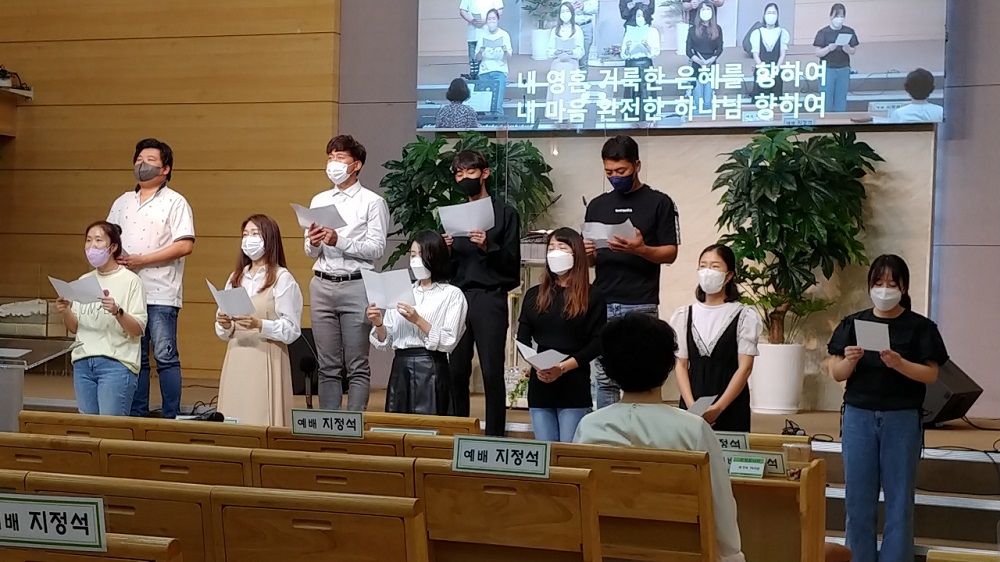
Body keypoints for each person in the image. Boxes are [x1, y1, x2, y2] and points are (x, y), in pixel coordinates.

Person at [573, 313, 745, 562]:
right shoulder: (693, 429)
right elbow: (721, 509)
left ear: (608, 367)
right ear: (668, 366)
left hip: (605, 553)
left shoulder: (589, 426)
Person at [828, 254, 948, 562]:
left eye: (892, 283)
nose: (884, 289)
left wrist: (899, 363)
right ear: (869, 285)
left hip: (901, 418)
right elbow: (836, 373)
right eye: (878, 282)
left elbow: (931, 374)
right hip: (859, 416)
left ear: (904, 287)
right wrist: (850, 361)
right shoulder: (853, 323)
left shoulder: (920, 327)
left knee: (899, 500)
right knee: (858, 499)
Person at [584, 135, 680, 409]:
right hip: (602, 301)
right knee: (604, 378)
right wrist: (587, 253)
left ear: (637, 165)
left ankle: (641, 429)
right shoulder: (597, 205)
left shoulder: (659, 202)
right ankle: (609, 428)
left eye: (621, 171)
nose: (615, 177)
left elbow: (670, 253)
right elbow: (592, 261)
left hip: (641, 301)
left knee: (644, 375)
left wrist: (640, 249)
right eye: (609, 172)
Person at [108, 138, 194, 419]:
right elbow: (108, 239)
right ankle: (138, 415)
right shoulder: (122, 201)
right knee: (137, 358)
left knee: (165, 356)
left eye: (150, 160)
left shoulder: (175, 201)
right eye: (139, 160)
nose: (142, 165)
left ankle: (171, 416)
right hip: (127, 292)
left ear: (165, 168)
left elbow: (185, 245)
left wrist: (141, 260)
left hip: (161, 291)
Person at [306, 135, 389, 412]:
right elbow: (309, 251)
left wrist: (338, 241)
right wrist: (313, 242)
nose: (333, 163)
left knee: (356, 364)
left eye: (340, 157)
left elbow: (377, 248)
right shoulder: (319, 199)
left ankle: (354, 425)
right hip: (321, 284)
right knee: (327, 364)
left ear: (356, 165)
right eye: (330, 157)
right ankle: (329, 425)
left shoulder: (372, 202)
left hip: (356, 285)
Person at [444, 150, 520, 436]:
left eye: (470, 172)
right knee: (457, 369)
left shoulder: (505, 213)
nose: (464, 178)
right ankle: (459, 431)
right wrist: (445, 250)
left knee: (491, 370)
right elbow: (448, 268)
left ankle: (495, 435)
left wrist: (488, 246)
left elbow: (512, 263)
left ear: (484, 174)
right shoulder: (454, 216)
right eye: (459, 174)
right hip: (458, 296)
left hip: (490, 296)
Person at [517, 228, 606, 442]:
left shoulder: (593, 296)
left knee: (568, 451)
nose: (555, 252)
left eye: (562, 247)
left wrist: (562, 368)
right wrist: (537, 365)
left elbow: (598, 342)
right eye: (551, 248)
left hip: (574, 382)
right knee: (545, 449)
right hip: (541, 381)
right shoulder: (534, 294)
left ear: (576, 253)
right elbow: (522, 338)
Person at [215, 214, 303, 427]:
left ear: (269, 239)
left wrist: (260, 325)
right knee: (234, 417)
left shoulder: (282, 278)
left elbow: (292, 330)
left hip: (266, 356)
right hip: (237, 356)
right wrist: (224, 324)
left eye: (255, 234)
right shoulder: (236, 277)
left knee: (261, 417)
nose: (249, 239)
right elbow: (223, 328)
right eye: (245, 234)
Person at [368, 232, 468, 415]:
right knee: (398, 423)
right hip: (401, 366)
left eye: (421, 255)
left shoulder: (452, 294)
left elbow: (449, 340)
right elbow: (387, 341)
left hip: (431, 366)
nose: (415, 261)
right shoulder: (401, 291)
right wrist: (379, 324)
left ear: (435, 256)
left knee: (431, 424)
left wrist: (418, 320)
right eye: (413, 255)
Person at [57, 221, 148, 416]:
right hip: (83, 362)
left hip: (116, 364)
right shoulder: (83, 280)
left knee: (110, 428)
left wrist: (117, 311)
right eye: (88, 240)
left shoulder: (131, 281)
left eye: (98, 240)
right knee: (88, 428)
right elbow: (75, 327)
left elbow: (138, 329)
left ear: (113, 246)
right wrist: (66, 311)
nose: (92, 246)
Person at [669, 244, 761, 432]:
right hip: (692, 399)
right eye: (703, 266)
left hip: (730, 402)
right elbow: (681, 364)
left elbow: (745, 368)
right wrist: (692, 407)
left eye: (715, 266)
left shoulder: (744, 316)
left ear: (729, 275)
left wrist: (718, 408)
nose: (707, 271)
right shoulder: (684, 315)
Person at [813, 3, 858, 113]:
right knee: (826, 100)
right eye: (836, 16)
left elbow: (853, 51)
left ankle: (840, 121)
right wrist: (829, 48)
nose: (839, 19)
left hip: (843, 68)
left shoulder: (849, 31)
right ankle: (825, 121)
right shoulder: (823, 32)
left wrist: (847, 48)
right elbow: (818, 53)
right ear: (830, 16)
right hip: (827, 69)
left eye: (842, 16)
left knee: (841, 99)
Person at [545, 3, 586, 122]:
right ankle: (557, 117)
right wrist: (556, 52)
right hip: (558, 64)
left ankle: (569, 117)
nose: (565, 14)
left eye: (567, 11)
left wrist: (571, 52)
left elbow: (581, 51)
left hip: (571, 64)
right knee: (558, 92)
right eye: (562, 12)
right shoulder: (555, 30)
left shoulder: (577, 30)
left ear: (572, 13)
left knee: (570, 92)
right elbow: (549, 51)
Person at [621, 6, 661, 117]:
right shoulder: (629, 31)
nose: (640, 18)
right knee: (632, 92)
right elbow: (623, 54)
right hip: (631, 64)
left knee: (646, 91)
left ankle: (648, 116)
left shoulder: (652, 31)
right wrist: (627, 48)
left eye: (642, 16)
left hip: (645, 64)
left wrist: (647, 46)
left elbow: (655, 52)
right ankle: (632, 116)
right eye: (638, 15)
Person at [687, 2, 723, 115]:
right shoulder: (692, 30)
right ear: (699, 13)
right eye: (703, 10)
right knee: (697, 93)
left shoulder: (718, 29)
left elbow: (720, 48)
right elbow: (688, 51)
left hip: (711, 64)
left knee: (708, 95)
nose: (706, 12)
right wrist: (699, 61)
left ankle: (708, 115)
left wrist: (710, 60)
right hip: (697, 64)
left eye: (708, 9)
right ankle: (696, 116)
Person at [475, 9, 512, 117]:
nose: (491, 21)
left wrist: (505, 51)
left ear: (498, 20)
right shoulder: (482, 35)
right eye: (489, 19)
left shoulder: (504, 35)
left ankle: (499, 124)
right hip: (484, 71)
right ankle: (488, 125)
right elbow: (477, 58)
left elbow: (508, 57)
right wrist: (481, 51)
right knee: (486, 105)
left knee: (497, 105)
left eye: (493, 19)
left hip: (499, 70)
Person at [749, 3, 790, 99]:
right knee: (760, 98)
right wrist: (762, 68)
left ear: (777, 15)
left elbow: (782, 54)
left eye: (774, 13)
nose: (771, 15)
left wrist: (776, 69)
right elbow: (755, 54)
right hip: (761, 69)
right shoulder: (757, 33)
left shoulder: (782, 32)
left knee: (775, 98)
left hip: (776, 69)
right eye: (769, 13)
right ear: (764, 15)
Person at [459, 0, 503, 77]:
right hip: (473, 32)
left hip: (489, 31)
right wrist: (472, 20)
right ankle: (474, 76)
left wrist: (487, 20)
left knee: (488, 56)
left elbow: (499, 10)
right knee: (473, 58)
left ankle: (487, 76)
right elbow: (462, 10)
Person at [572, 1, 599, 72]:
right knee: (571, 56)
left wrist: (583, 6)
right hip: (571, 25)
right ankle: (570, 77)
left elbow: (595, 9)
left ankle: (583, 77)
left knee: (584, 57)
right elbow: (563, 6)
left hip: (586, 25)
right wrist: (570, 7)